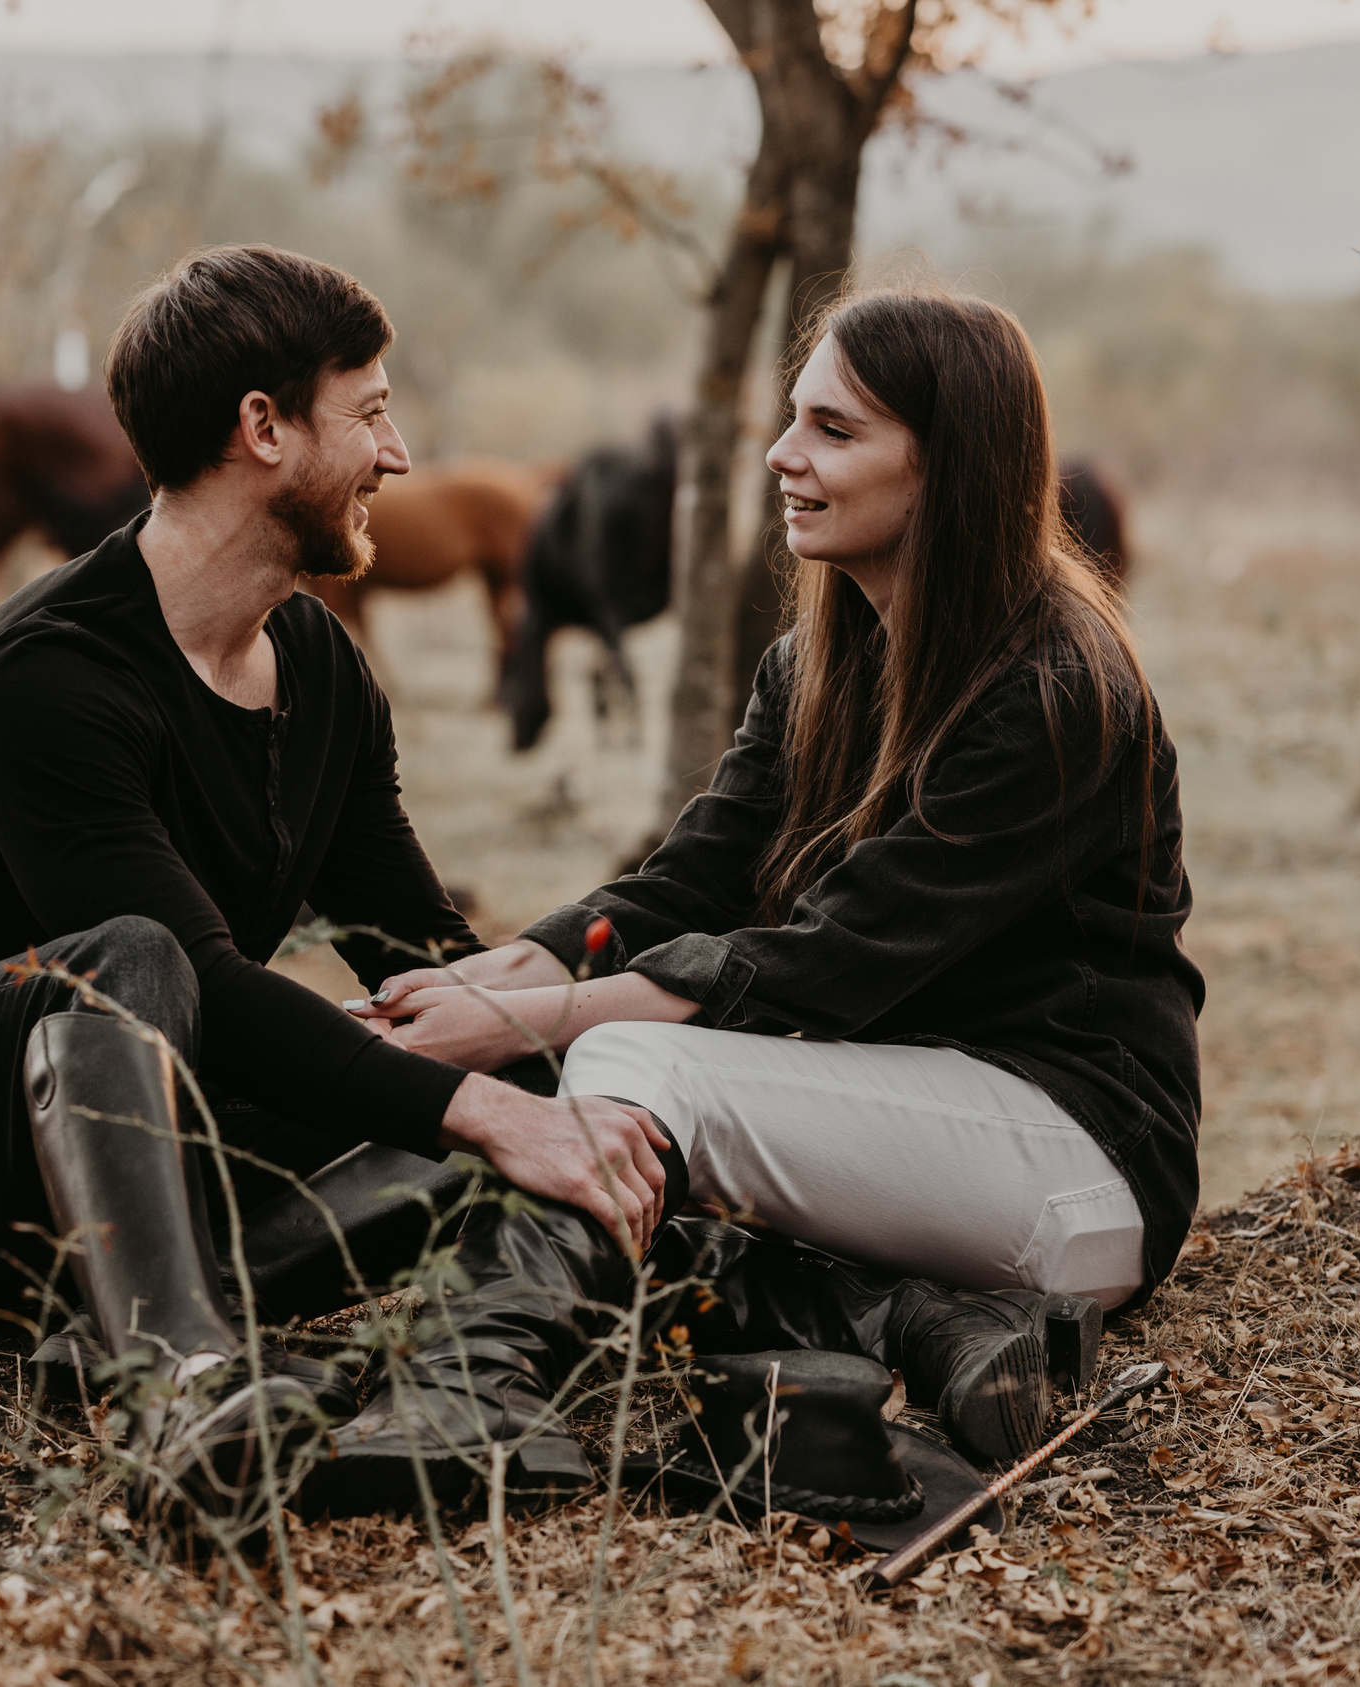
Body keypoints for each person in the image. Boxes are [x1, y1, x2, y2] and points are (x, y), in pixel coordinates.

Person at [0, 244, 668, 1522]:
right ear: (263, 428)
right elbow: (193, 977)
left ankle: (153, 1325)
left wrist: (555, 1047)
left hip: (171, 1144)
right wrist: (479, 1114)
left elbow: (411, 944)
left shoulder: (317, 668)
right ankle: (181, 1390)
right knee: (134, 957)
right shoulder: (44, 676)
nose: (400, 456)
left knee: (514, 1069)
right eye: (371, 413)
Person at [350, 287, 1203, 1470]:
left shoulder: (1055, 691)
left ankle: (463, 1394)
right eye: (793, 418)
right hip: (917, 1133)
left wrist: (518, 1026)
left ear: (949, 464)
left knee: (624, 1063)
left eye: (835, 431)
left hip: (1079, 1164)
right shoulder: (816, 660)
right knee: (601, 1102)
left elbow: (816, 966)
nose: (780, 454)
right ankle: (914, 1320)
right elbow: (684, 882)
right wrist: (471, 987)